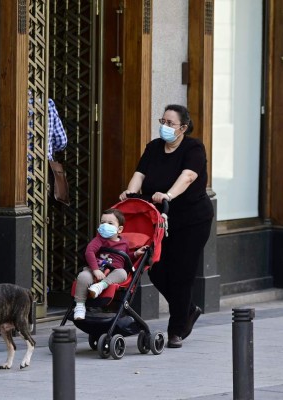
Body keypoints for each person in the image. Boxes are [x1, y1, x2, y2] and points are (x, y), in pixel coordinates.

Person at [119, 104, 214, 349]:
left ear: (183, 127)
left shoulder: (193, 147)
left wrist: (169, 194)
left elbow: (188, 176)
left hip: (192, 219)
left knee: (182, 273)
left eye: (170, 123)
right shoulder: (153, 148)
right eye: (163, 120)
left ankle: (176, 330)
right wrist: (130, 194)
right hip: (160, 220)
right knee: (157, 268)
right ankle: (188, 310)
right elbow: (140, 174)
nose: (165, 126)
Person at [73, 208, 148, 320]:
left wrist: (136, 254)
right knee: (83, 277)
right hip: (96, 268)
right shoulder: (99, 239)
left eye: (110, 223)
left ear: (120, 229)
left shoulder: (124, 242)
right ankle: (79, 305)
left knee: (122, 273)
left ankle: (100, 286)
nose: (105, 225)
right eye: (102, 222)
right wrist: (95, 270)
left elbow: (125, 258)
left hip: (113, 272)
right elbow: (89, 252)